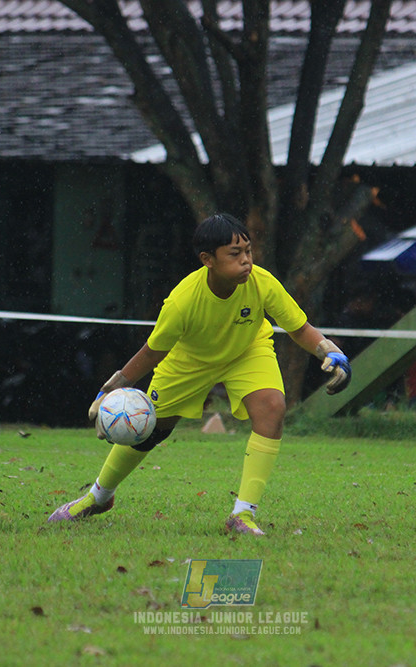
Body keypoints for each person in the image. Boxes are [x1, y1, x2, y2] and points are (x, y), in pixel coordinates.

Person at [48, 212, 352, 535]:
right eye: (235, 254)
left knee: (273, 408)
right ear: (207, 259)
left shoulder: (262, 282)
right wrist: (113, 386)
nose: (246, 261)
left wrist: (329, 351)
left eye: (248, 251)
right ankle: (98, 496)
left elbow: (299, 328)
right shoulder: (182, 301)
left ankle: (242, 515)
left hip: (247, 350)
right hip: (189, 360)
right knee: (151, 429)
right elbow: (153, 351)